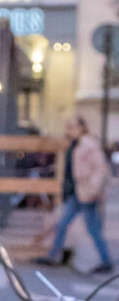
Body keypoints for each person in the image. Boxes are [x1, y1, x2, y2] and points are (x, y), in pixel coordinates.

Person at [43, 115, 113, 272]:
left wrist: (93, 190)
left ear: (81, 127)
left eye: (72, 127)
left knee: (92, 229)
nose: (69, 130)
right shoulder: (75, 143)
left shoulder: (88, 143)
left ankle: (106, 261)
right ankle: (53, 256)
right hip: (77, 193)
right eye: (67, 127)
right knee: (63, 225)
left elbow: (100, 168)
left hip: (87, 193)